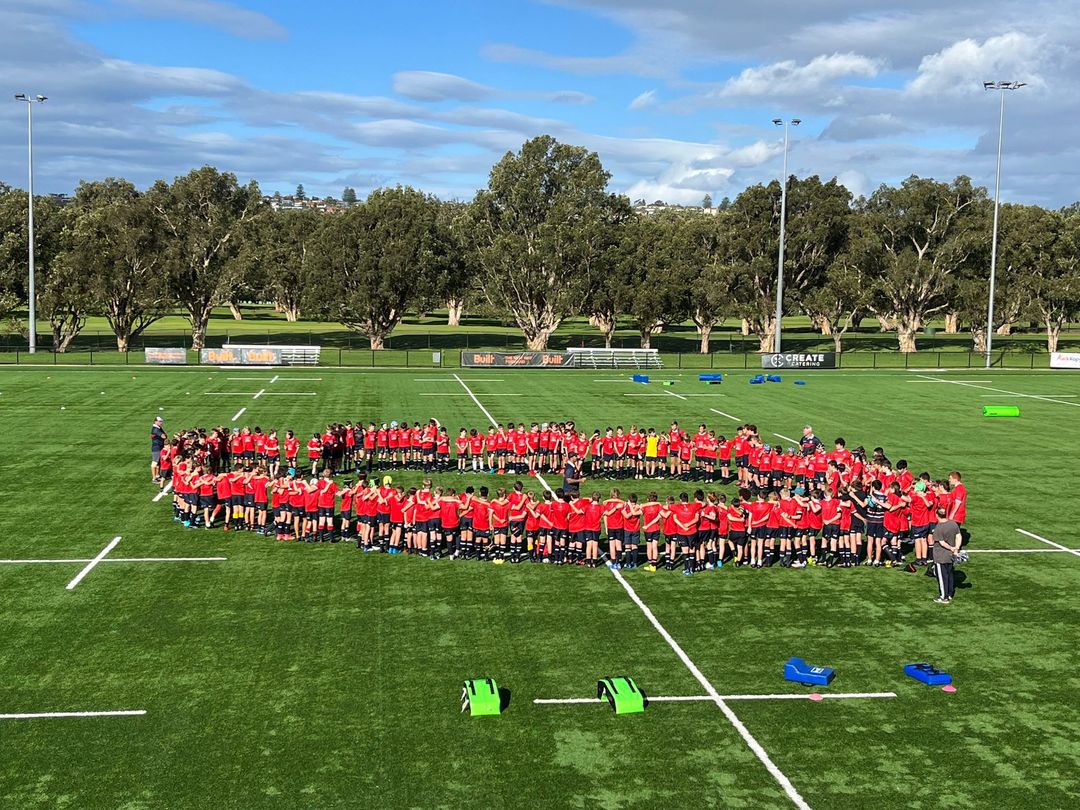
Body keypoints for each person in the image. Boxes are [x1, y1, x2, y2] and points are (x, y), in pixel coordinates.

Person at [931, 507, 962, 603]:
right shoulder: (953, 524)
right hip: (950, 556)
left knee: (942, 577)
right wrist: (956, 548)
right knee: (949, 574)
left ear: (937, 515)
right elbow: (958, 536)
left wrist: (952, 548)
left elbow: (942, 543)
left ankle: (943, 597)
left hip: (941, 556)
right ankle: (949, 594)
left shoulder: (938, 528)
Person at [150, 416, 168, 482]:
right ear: (155, 421)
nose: (161, 422)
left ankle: (157, 475)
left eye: (161, 421)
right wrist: (164, 436)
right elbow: (164, 436)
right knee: (154, 463)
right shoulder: (156, 429)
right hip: (156, 448)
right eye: (160, 421)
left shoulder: (158, 428)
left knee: (158, 463)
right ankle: (154, 478)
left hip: (159, 447)